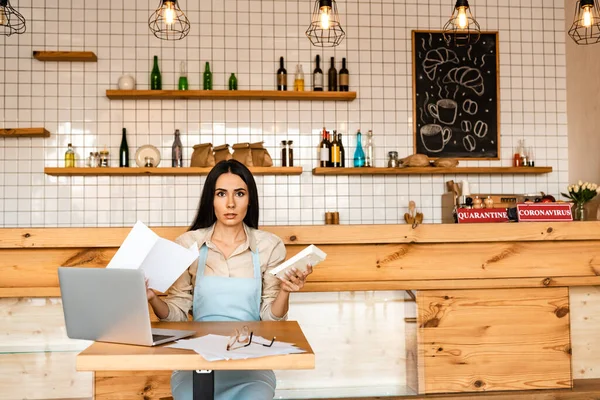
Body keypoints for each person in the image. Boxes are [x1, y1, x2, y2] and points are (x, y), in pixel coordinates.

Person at [146, 159, 312, 400]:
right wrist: (152, 298)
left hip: (252, 361)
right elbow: (177, 314)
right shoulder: (188, 245)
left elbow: (270, 317)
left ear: (250, 199)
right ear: (210, 200)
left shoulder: (269, 246)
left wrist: (285, 291)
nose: (231, 203)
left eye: (240, 193)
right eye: (221, 194)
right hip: (196, 359)